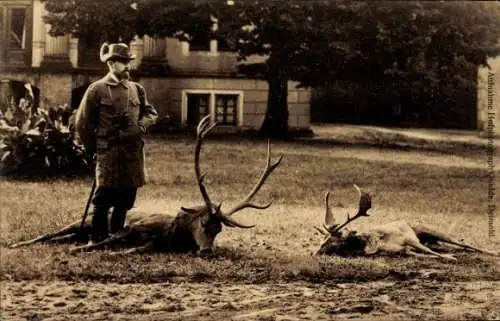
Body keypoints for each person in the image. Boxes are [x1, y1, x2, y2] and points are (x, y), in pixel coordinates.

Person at [75, 42, 158, 244]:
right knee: (103, 196)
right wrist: (92, 149)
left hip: (132, 153)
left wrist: (141, 127)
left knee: (126, 196)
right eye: (123, 62)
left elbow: (150, 113)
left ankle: (116, 236)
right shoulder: (97, 90)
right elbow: (82, 123)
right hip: (109, 151)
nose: (128, 66)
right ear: (111, 63)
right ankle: (97, 237)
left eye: (129, 62)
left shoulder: (136, 89)